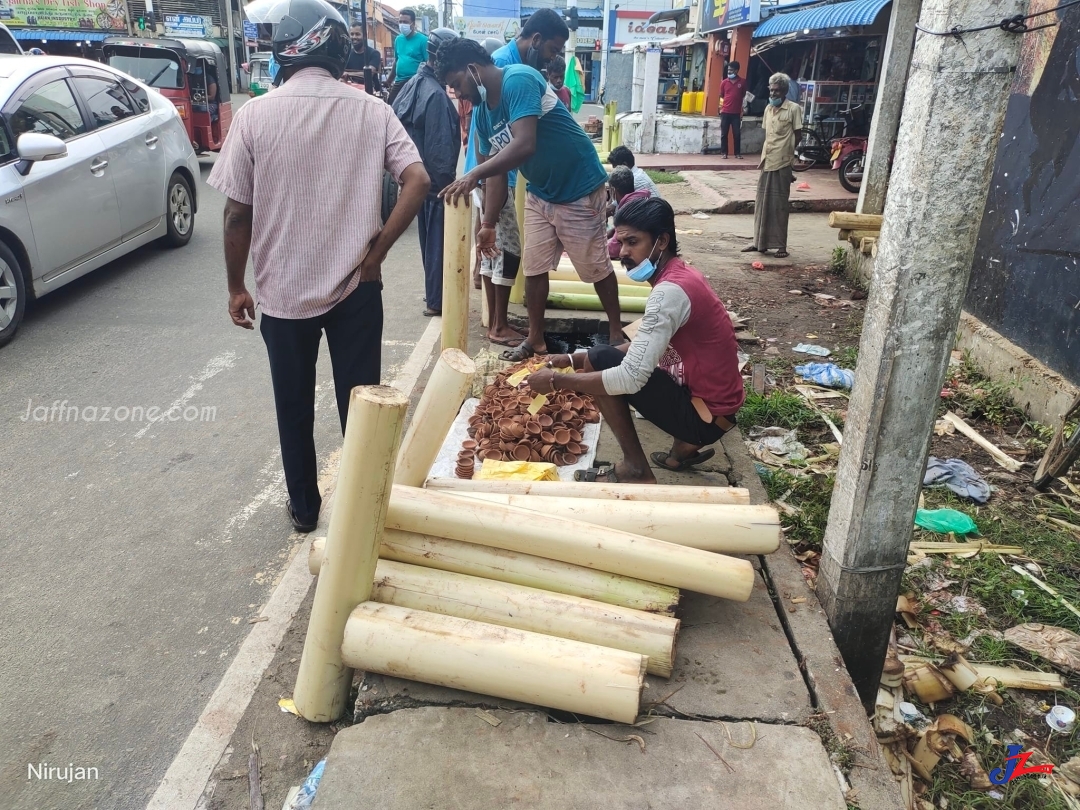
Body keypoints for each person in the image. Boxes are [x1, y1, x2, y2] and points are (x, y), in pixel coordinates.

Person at [207, 0, 430, 534]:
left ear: (287, 49)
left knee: (294, 409)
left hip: (283, 294)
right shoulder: (372, 110)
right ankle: (358, 517)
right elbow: (418, 180)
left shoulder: (256, 115)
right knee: (361, 408)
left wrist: (237, 286)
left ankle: (305, 511)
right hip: (357, 286)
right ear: (335, 49)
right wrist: (375, 254)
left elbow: (238, 212)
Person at [524, 198, 744, 484]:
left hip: (705, 415)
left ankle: (635, 468)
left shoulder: (669, 293)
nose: (623, 252)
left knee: (602, 359)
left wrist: (556, 381)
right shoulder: (683, 274)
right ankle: (683, 449)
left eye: (633, 242)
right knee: (599, 355)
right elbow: (647, 346)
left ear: (661, 241)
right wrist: (572, 359)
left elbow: (629, 378)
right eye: (621, 242)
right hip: (718, 407)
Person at [437, 37, 623, 361]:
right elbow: (494, 173)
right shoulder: (483, 115)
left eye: (457, 84)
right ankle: (535, 341)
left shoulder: (518, 79)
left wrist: (471, 173)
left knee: (594, 267)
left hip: (578, 185)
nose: (459, 94)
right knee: (534, 267)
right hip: (540, 191)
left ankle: (618, 332)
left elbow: (525, 145)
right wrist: (489, 224)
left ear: (472, 69)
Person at [461, 15, 569, 348]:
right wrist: (483, 177)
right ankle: (498, 324)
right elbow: (516, 141)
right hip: (496, 174)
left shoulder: (513, 68)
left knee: (493, 247)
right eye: (552, 49)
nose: (552, 58)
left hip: (492, 173)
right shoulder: (509, 70)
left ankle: (497, 322)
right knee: (504, 250)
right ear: (535, 39)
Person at [393, 27, 461, 316]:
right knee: (437, 245)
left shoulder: (412, 84)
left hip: (415, 179)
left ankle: (434, 293)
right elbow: (441, 150)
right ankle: (436, 298)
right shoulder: (435, 96)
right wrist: (447, 185)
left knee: (429, 243)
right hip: (434, 183)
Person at [742, 73, 802, 260]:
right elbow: (769, 136)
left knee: (779, 205)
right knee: (762, 203)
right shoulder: (768, 108)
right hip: (767, 160)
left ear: (784, 91)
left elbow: (797, 135)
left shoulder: (793, 109)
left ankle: (781, 246)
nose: (773, 93)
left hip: (782, 161)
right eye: (771, 90)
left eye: (776, 90)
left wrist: (790, 156)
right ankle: (759, 243)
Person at [606, 166, 649, 258]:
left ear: (613, 189)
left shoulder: (627, 209)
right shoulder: (640, 199)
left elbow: (614, 249)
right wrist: (613, 231)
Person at [386, 8, 428, 104]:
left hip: (415, 82)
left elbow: (428, 63)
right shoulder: (398, 39)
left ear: (413, 24)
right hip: (399, 81)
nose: (402, 24)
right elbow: (397, 61)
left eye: (405, 22)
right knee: (391, 105)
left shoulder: (423, 40)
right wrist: (389, 80)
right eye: (400, 22)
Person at [718, 60, 747, 159]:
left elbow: (743, 95)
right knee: (724, 134)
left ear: (736, 70)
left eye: (731, 70)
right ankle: (724, 153)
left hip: (736, 113)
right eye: (728, 70)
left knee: (737, 134)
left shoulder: (742, 82)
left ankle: (737, 153)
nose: (729, 72)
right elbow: (721, 95)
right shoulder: (724, 82)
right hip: (725, 112)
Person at [343, 23, 383, 92]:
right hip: (351, 90)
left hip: (370, 91)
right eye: (352, 34)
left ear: (365, 35)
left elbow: (369, 74)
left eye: (357, 34)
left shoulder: (374, 53)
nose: (354, 37)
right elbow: (341, 73)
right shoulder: (347, 54)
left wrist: (348, 74)